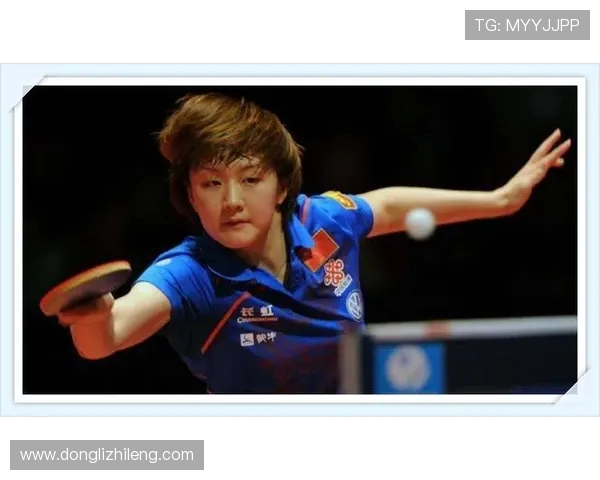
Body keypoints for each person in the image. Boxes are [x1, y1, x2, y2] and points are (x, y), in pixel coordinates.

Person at [59, 92, 571, 394]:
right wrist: (93, 317)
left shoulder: (324, 221)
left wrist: (500, 200)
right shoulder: (188, 274)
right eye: (211, 184)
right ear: (191, 196)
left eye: (250, 180)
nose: (231, 201)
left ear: (281, 187)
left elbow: (388, 206)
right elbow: (108, 337)